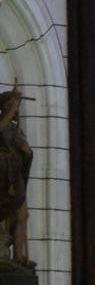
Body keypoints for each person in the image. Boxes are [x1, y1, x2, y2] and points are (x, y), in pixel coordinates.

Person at [0, 84, 34, 268]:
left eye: (18, 106)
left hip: (13, 176)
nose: (17, 109)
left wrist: (26, 151)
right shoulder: (2, 123)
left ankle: (19, 256)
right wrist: (12, 106)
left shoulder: (15, 129)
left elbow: (24, 151)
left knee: (23, 215)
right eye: (13, 105)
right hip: (2, 177)